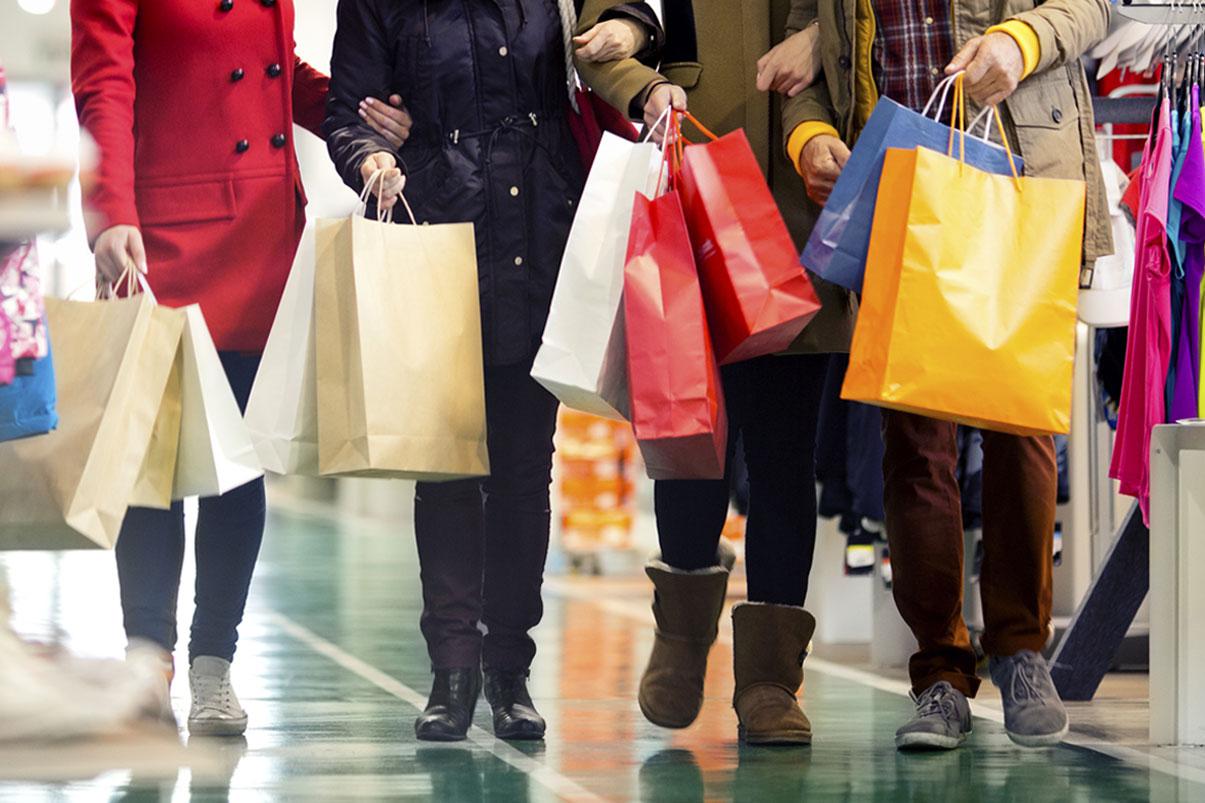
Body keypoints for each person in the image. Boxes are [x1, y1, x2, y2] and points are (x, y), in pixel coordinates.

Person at [71, 0, 410, 737]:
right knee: (152, 464)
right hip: (159, 234)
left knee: (238, 466)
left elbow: (276, 75)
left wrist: (358, 116)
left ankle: (213, 666)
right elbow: (105, 84)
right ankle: (146, 662)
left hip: (259, 234)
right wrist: (110, 213)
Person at [785, 0, 1111, 749]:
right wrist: (812, 133)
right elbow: (809, 48)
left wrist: (1020, 39)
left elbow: (1094, 7)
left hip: (1021, 180)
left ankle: (1021, 651)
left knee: (1020, 425)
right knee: (912, 441)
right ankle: (937, 673)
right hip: (900, 187)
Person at [324, 0, 651, 744]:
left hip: (540, 229)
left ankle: (510, 668)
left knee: (522, 470)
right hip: (433, 234)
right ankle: (451, 671)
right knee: (441, 467)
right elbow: (350, 110)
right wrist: (371, 155)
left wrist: (629, 30)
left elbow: (627, 18)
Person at [576, 0, 857, 745]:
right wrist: (643, 83)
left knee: (783, 455)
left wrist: (816, 41)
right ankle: (680, 634)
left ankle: (769, 680)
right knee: (685, 432)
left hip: (798, 195)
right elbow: (596, 34)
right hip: (690, 188)